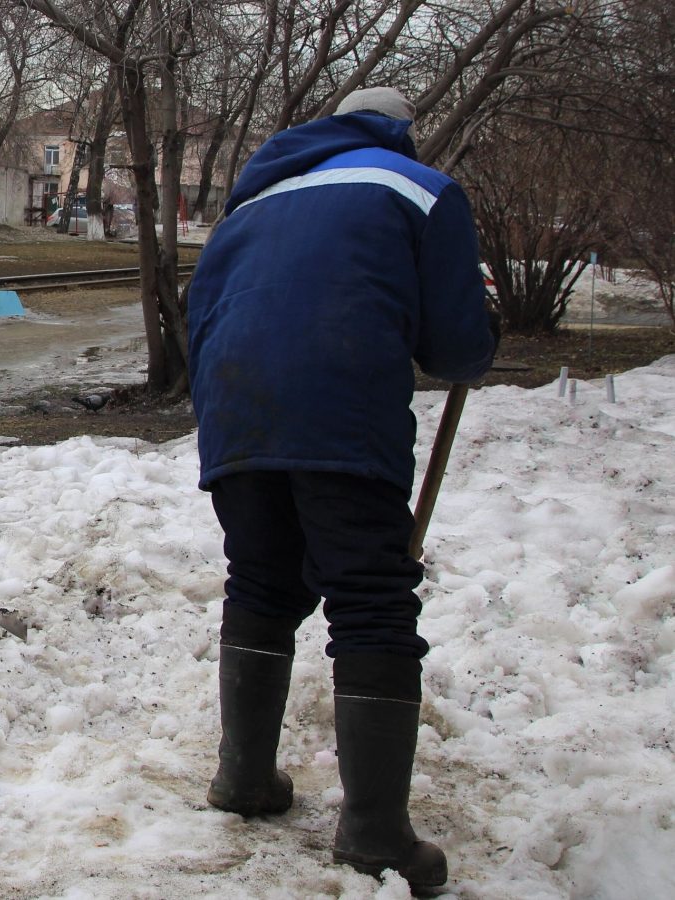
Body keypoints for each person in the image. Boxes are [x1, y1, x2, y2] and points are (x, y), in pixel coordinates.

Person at [187, 87, 499, 892]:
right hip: (339, 409)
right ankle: (373, 831)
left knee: (261, 578)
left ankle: (243, 779)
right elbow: (458, 351)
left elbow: (201, 311)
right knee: (370, 597)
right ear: (400, 131)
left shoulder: (252, 200)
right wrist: (479, 316)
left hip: (235, 407)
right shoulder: (416, 187)